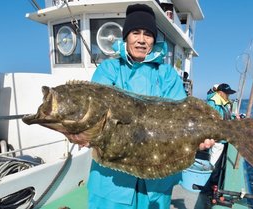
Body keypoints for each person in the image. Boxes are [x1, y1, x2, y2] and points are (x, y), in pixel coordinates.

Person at [87, 4, 214, 209]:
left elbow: (182, 117)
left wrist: (197, 139)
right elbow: (94, 115)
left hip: (157, 182)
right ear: (126, 37)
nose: (141, 40)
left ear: (154, 40)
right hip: (111, 182)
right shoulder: (108, 70)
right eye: (135, 33)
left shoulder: (167, 75)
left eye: (148, 34)